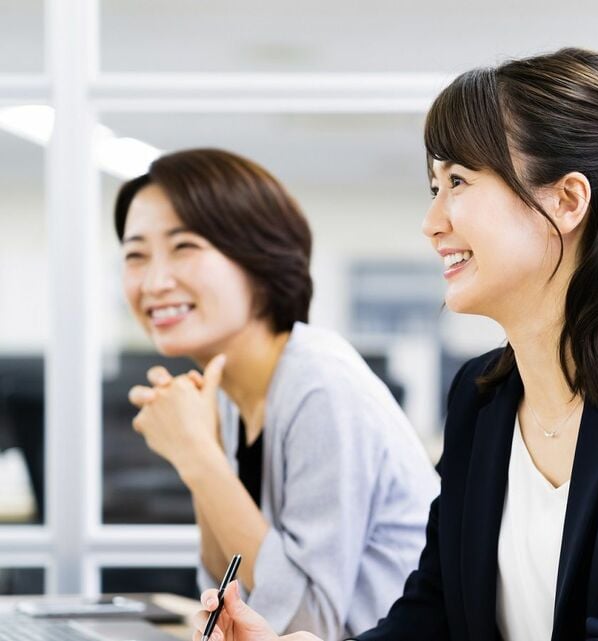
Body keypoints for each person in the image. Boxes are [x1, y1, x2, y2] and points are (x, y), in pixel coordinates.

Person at [190, 48, 598, 641]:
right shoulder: (482, 400)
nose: (432, 220)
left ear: (568, 200)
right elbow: (430, 617)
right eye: (434, 186)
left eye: (459, 182)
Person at [116, 148, 439, 640]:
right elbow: (226, 595)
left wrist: (198, 457)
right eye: (136, 255)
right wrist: (202, 455)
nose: (156, 281)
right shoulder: (230, 393)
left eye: (184, 247)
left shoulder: (319, 385)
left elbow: (304, 625)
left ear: (257, 257)